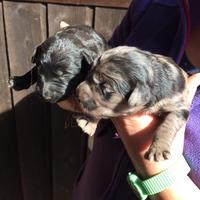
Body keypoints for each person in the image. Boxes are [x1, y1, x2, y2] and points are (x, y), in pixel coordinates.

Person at [58, 0, 200, 199]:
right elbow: (105, 60)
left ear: (138, 98)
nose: (82, 88)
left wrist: (158, 168)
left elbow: (177, 111)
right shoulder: (155, 4)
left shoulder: (170, 90)